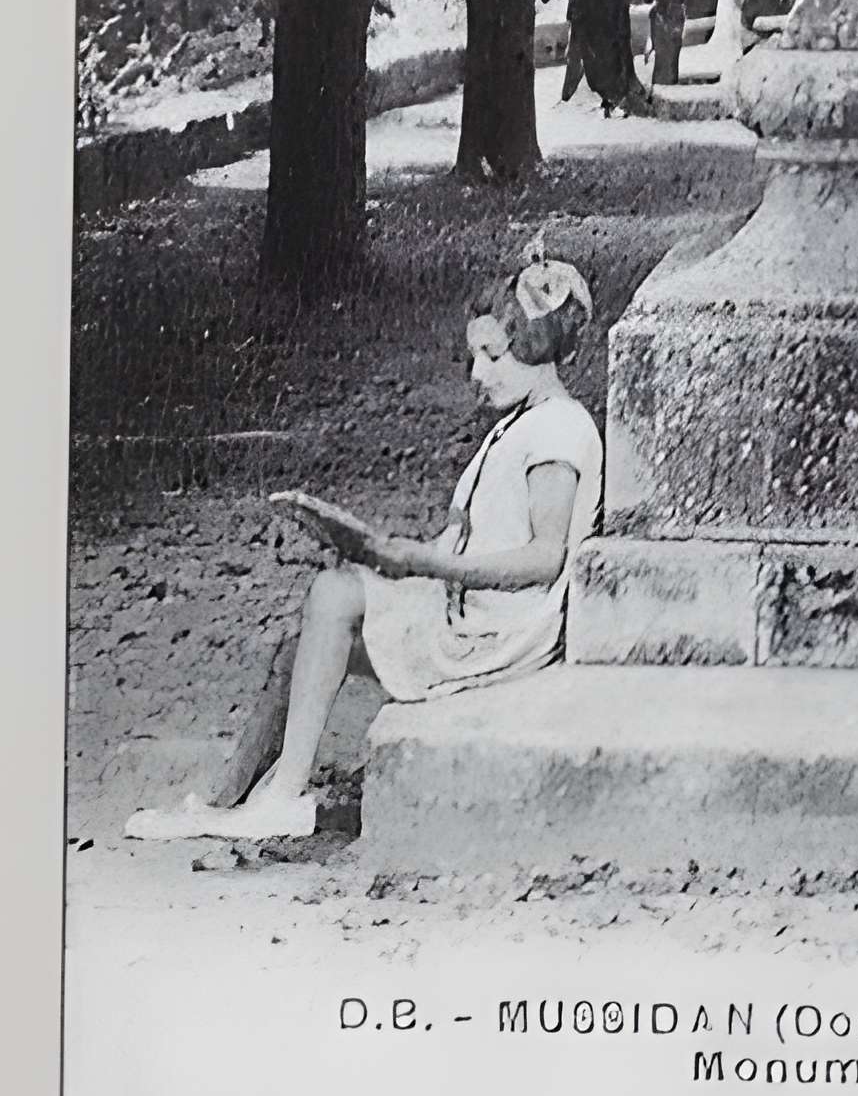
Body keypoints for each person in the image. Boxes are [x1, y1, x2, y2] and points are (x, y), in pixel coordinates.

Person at [126, 253, 604, 846]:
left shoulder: (558, 429)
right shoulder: (517, 427)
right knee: (298, 643)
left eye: (492, 357)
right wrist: (384, 556)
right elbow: (456, 543)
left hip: (500, 637)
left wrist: (422, 564)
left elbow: (543, 558)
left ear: (535, 348)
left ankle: (280, 798)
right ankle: (229, 802)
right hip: (470, 616)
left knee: (333, 594)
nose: (476, 374)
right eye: (473, 357)